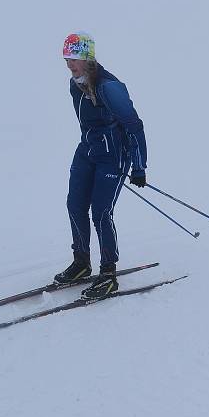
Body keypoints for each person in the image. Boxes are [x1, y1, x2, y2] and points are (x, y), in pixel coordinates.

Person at [54, 32, 148, 299]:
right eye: (66, 59)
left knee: (101, 212)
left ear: (87, 57)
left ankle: (108, 274)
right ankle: (82, 263)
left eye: (74, 58)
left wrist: (139, 166)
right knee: (74, 205)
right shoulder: (75, 84)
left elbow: (134, 126)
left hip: (113, 154)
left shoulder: (109, 87)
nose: (70, 64)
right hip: (88, 149)